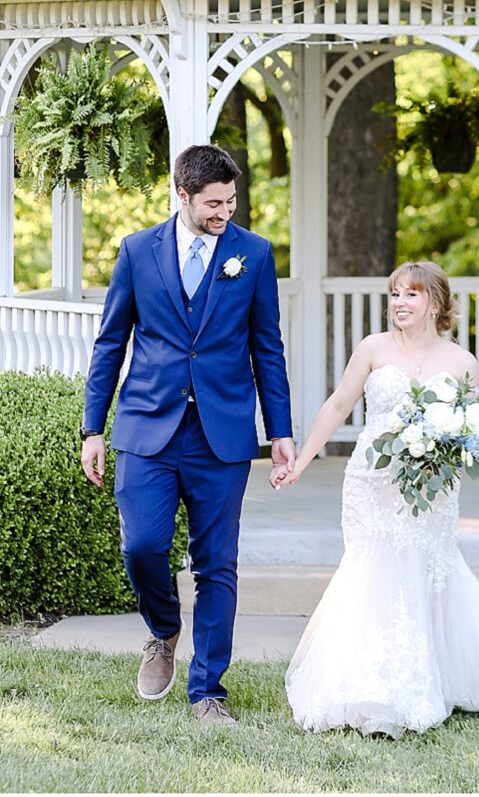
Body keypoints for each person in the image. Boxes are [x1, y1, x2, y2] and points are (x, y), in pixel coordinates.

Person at [273, 260, 479, 737]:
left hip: (431, 488)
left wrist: (448, 453)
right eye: (395, 294)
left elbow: (471, 431)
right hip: (371, 481)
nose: (400, 303)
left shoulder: (463, 363)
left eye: (412, 294)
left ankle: (429, 679)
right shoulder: (373, 348)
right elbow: (339, 404)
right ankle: (368, 686)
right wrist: (299, 461)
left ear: (437, 303)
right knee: (374, 568)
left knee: (426, 568)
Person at [80, 143, 294, 728]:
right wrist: (92, 427)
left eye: (231, 201)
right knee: (142, 546)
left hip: (221, 436)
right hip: (147, 427)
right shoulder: (136, 252)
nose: (225, 213)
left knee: (217, 564)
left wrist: (280, 432)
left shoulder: (253, 254)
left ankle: (208, 692)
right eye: (213, 203)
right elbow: (110, 342)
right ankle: (163, 631)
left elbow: (267, 349)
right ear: (182, 194)